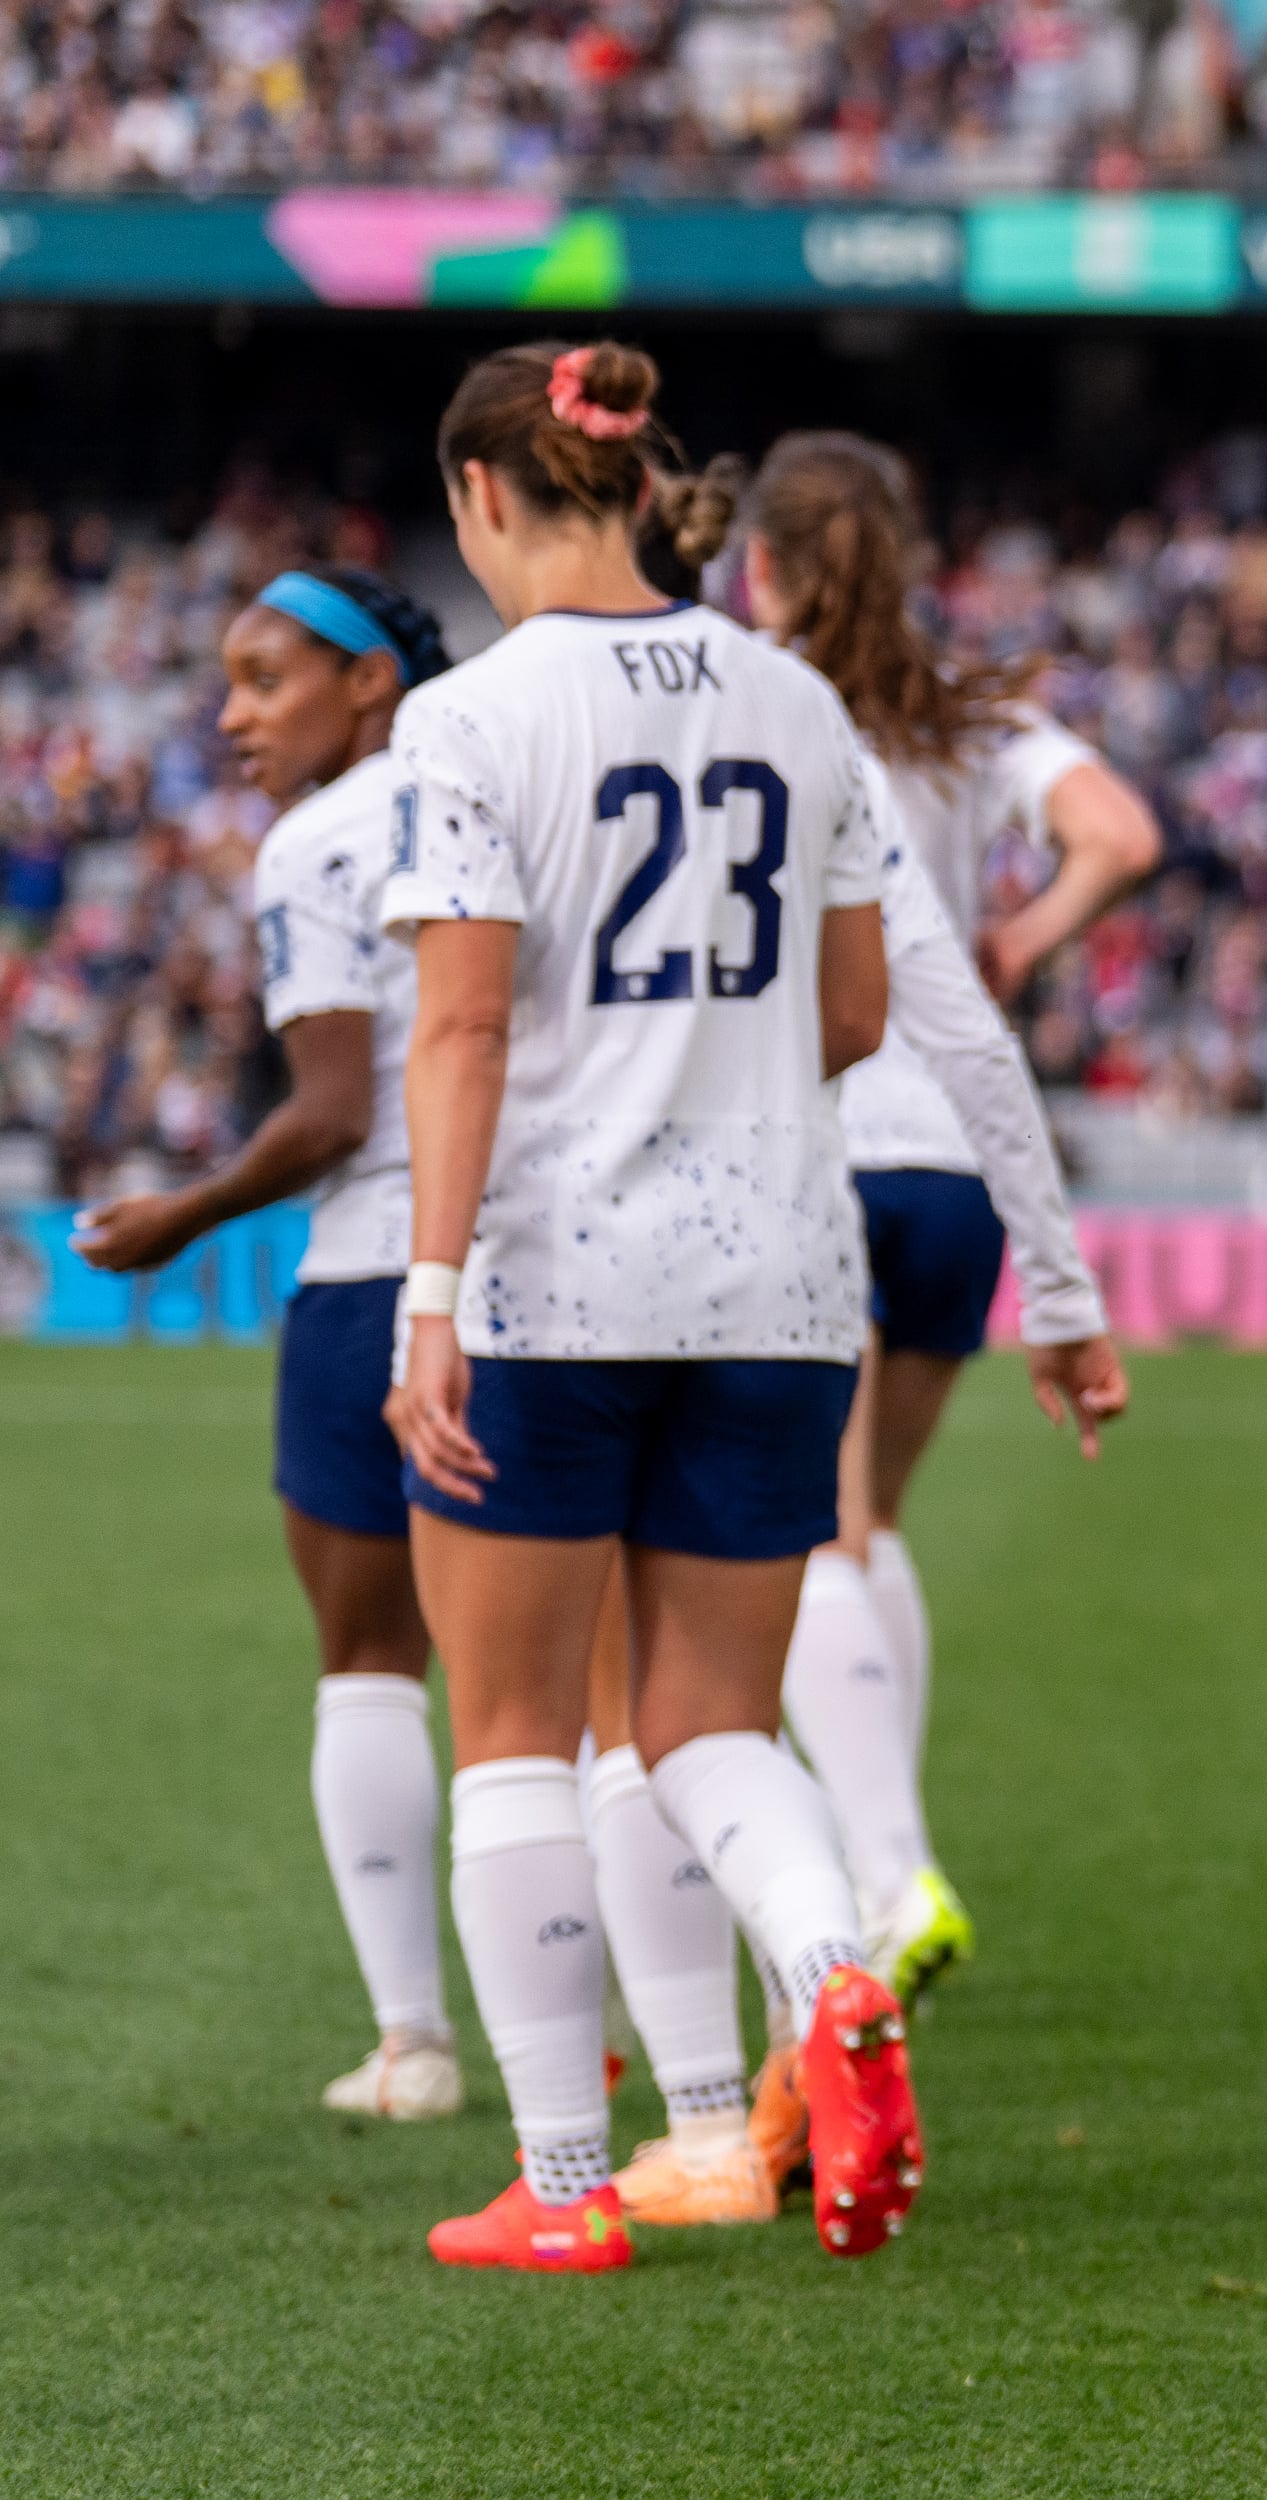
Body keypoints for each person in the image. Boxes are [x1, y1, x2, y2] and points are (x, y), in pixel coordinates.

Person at [376, 338, 925, 2272]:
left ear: (482, 500)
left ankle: (560, 2186)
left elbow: (455, 1021)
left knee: (516, 1730)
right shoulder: (795, 702)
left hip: (556, 1275)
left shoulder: (468, 718)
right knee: (703, 1721)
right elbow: (855, 1016)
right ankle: (830, 1965)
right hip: (779, 1274)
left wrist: (427, 1294)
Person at [593, 754, 1128, 2229]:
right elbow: (947, 1003)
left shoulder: (559, 722)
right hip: (844, 1221)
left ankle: (650, 2127)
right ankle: (849, 1942)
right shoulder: (885, 729)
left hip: (623, 1239)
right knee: (804, 1589)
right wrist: (1065, 1287)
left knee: (591, 1702)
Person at [742, 429, 1158, 2002]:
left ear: (760, 563)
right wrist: (1021, 940)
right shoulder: (971, 714)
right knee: (878, 1528)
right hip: (963, 1166)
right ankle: (882, 1857)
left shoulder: (754, 700)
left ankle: (885, 1866)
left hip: (820, 1132)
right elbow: (1120, 831)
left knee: (815, 1532)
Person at [71, 567, 462, 2119]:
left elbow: (336, 1111)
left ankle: (416, 2045)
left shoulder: (320, 839)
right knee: (595, 1684)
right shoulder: (510, 779)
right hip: (561, 1274)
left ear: (369, 681)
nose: (229, 715)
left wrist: (191, 1212)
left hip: (380, 1271)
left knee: (372, 1663)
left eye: (265, 678)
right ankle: (680, 2043)